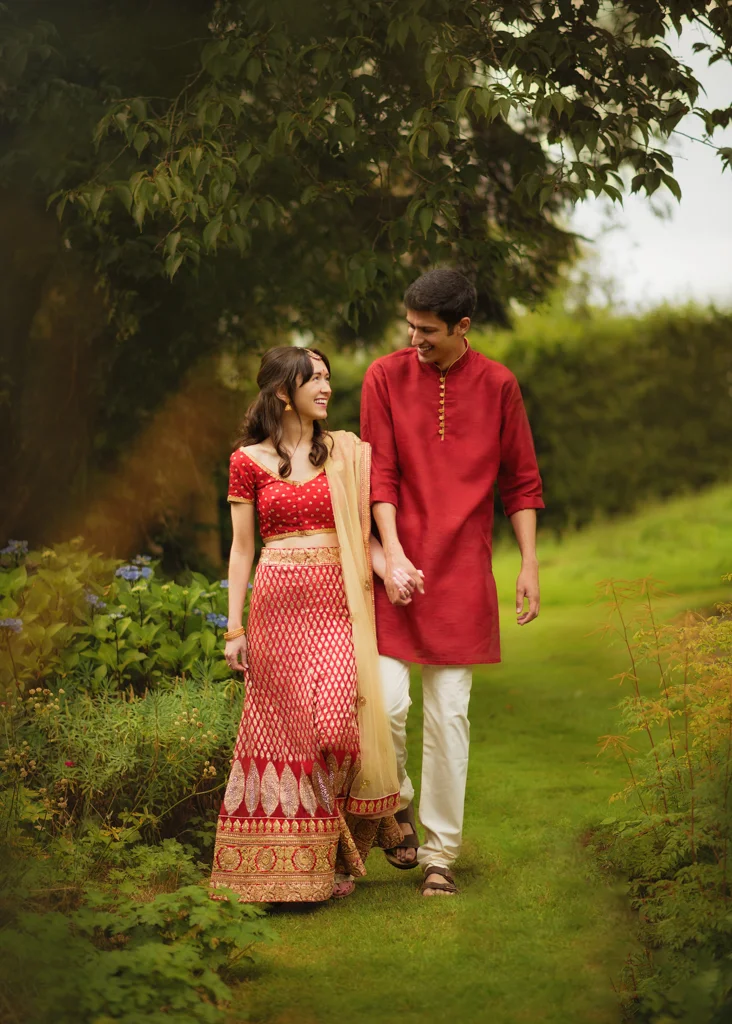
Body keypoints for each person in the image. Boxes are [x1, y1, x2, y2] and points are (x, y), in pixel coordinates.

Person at [360, 267, 544, 897]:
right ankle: (398, 800)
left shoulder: (498, 384)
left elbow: (521, 482)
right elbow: (379, 474)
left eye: (428, 331)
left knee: (448, 717)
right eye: (409, 326)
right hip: (398, 570)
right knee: (385, 706)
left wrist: (527, 563)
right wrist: (395, 554)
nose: (415, 339)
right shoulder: (385, 376)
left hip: (463, 572)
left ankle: (440, 854)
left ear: (462, 326)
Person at [210, 345, 411, 903]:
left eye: (327, 377)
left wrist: (393, 566)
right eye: (313, 379)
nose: (326, 387)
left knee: (335, 732)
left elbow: (365, 534)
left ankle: (356, 840)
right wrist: (234, 628)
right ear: (283, 392)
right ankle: (307, 869)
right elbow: (241, 550)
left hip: (337, 602)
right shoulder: (246, 461)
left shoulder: (344, 454)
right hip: (276, 608)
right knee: (290, 739)